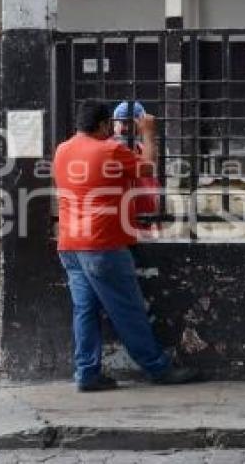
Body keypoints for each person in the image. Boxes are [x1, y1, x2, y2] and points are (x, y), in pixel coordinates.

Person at [52, 99, 202, 392]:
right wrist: (148, 133)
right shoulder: (110, 149)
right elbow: (148, 169)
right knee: (128, 311)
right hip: (103, 243)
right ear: (104, 125)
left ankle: (87, 372)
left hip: (69, 243)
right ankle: (157, 368)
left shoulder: (62, 149)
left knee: (85, 310)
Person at [112, 101, 161, 233]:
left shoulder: (143, 150)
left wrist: (156, 221)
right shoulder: (111, 151)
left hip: (145, 224)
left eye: (129, 123)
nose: (124, 128)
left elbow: (153, 188)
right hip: (123, 226)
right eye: (121, 122)